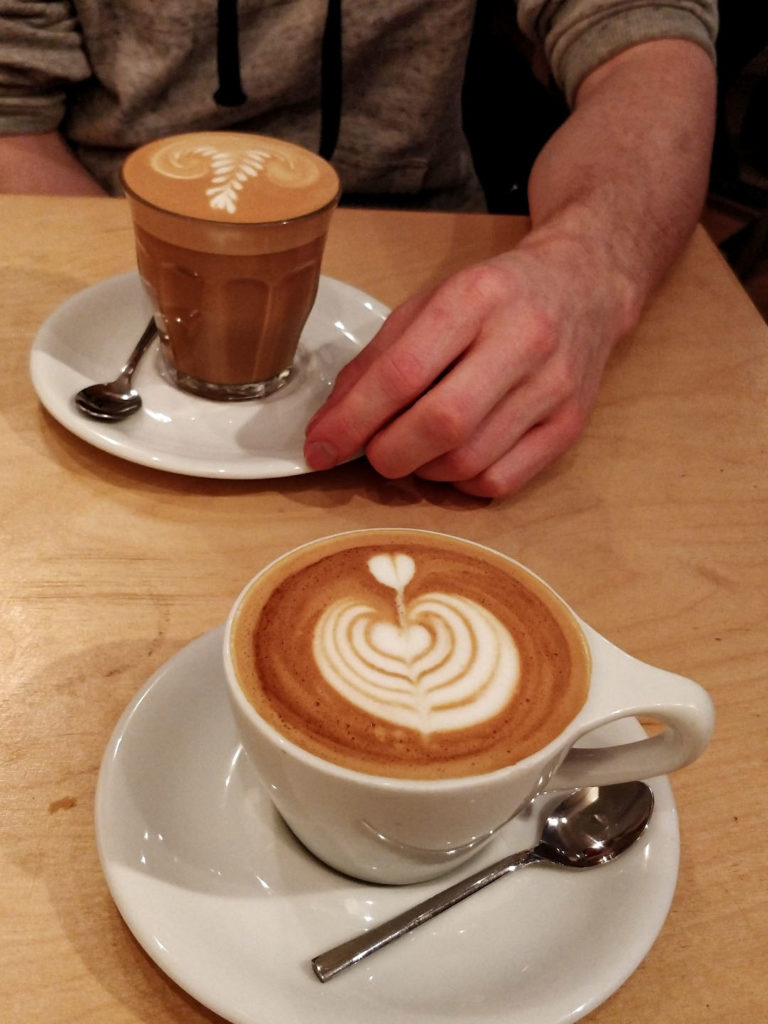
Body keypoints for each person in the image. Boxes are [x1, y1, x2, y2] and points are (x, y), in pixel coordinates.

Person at [0, 1, 718, 498]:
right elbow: (12, 110)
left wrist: (586, 268)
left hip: (441, 250)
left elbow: (648, 40)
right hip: (106, 218)